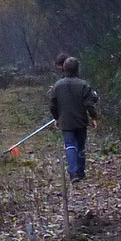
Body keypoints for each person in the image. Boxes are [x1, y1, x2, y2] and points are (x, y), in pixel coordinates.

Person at [48, 54, 99, 182]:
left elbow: (52, 105)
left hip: (65, 122)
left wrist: (57, 118)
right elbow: (89, 104)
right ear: (77, 69)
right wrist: (94, 117)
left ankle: (73, 172)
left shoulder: (58, 85)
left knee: (70, 146)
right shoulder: (83, 84)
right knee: (80, 147)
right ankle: (81, 172)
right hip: (81, 121)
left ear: (64, 68)